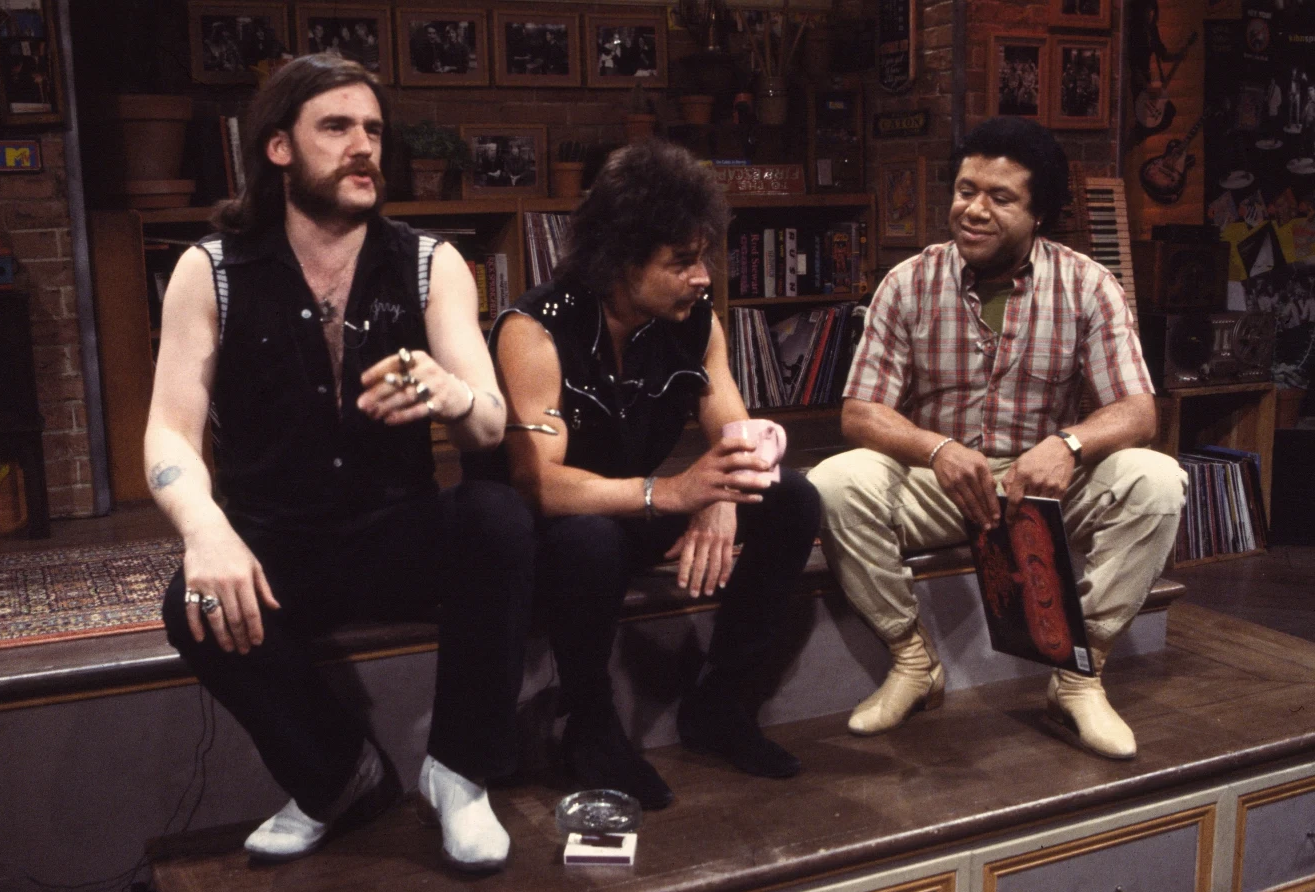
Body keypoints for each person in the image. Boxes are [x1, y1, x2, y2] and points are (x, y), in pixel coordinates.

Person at [145, 54, 533, 873]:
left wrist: (452, 394)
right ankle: (340, 779)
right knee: (191, 602)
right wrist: (206, 532)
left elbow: (491, 424)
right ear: (279, 147)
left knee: (496, 516)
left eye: (374, 131)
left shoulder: (430, 262)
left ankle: (459, 772)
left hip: (394, 530)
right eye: (336, 127)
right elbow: (169, 435)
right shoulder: (209, 270)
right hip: (278, 542)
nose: (363, 146)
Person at [807, 117, 1186, 761]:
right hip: (940, 483)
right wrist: (936, 450)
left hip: (1044, 489)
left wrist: (1067, 446)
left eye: (1000, 198)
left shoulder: (1088, 284)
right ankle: (913, 661)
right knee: (833, 482)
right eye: (965, 191)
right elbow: (860, 413)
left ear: (1040, 214)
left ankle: (1078, 676)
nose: (974, 210)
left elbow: (1138, 411)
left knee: (1156, 481)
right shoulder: (907, 282)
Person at [466, 140, 821, 809]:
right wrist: (676, 492)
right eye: (681, 262)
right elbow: (537, 484)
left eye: (703, 257)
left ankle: (721, 701)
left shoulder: (694, 324)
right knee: (588, 538)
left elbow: (739, 436)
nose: (703, 277)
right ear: (620, 261)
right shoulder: (534, 330)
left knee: (793, 497)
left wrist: (719, 497)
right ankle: (589, 723)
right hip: (544, 536)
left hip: (634, 511)